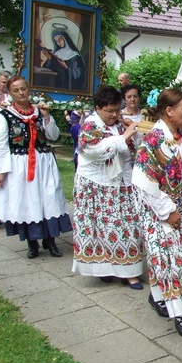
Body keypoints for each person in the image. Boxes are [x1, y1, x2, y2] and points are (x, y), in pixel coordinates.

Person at [133, 88, 182, 337]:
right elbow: (143, 181)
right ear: (170, 111)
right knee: (172, 261)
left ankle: (158, 295)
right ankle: (180, 314)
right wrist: (167, 211)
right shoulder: (154, 139)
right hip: (162, 209)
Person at [72, 86, 144, 288]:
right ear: (98, 108)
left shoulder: (120, 124)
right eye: (109, 111)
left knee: (126, 226)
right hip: (95, 185)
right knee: (99, 229)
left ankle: (129, 272)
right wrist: (123, 137)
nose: (114, 115)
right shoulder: (90, 124)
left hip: (120, 183)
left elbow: (130, 150)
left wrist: (132, 133)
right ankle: (104, 268)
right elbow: (93, 150)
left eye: (116, 110)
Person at [0, 75, 72, 257]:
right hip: (21, 164)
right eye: (16, 90)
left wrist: (46, 116)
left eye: (23, 89)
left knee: (49, 198)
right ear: (10, 93)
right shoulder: (5, 116)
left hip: (44, 162)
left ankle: (50, 241)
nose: (21, 93)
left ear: (29, 89)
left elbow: (53, 136)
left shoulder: (38, 112)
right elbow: (0, 145)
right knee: (28, 201)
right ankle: (32, 243)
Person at [41, 27, 87, 91]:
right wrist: (49, 58)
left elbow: (79, 74)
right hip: (57, 86)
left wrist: (66, 67)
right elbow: (48, 70)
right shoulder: (56, 54)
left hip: (68, 87)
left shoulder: (75, 55)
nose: (59, 43)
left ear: (65, 39)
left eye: (60, 40)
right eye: (56, 41)